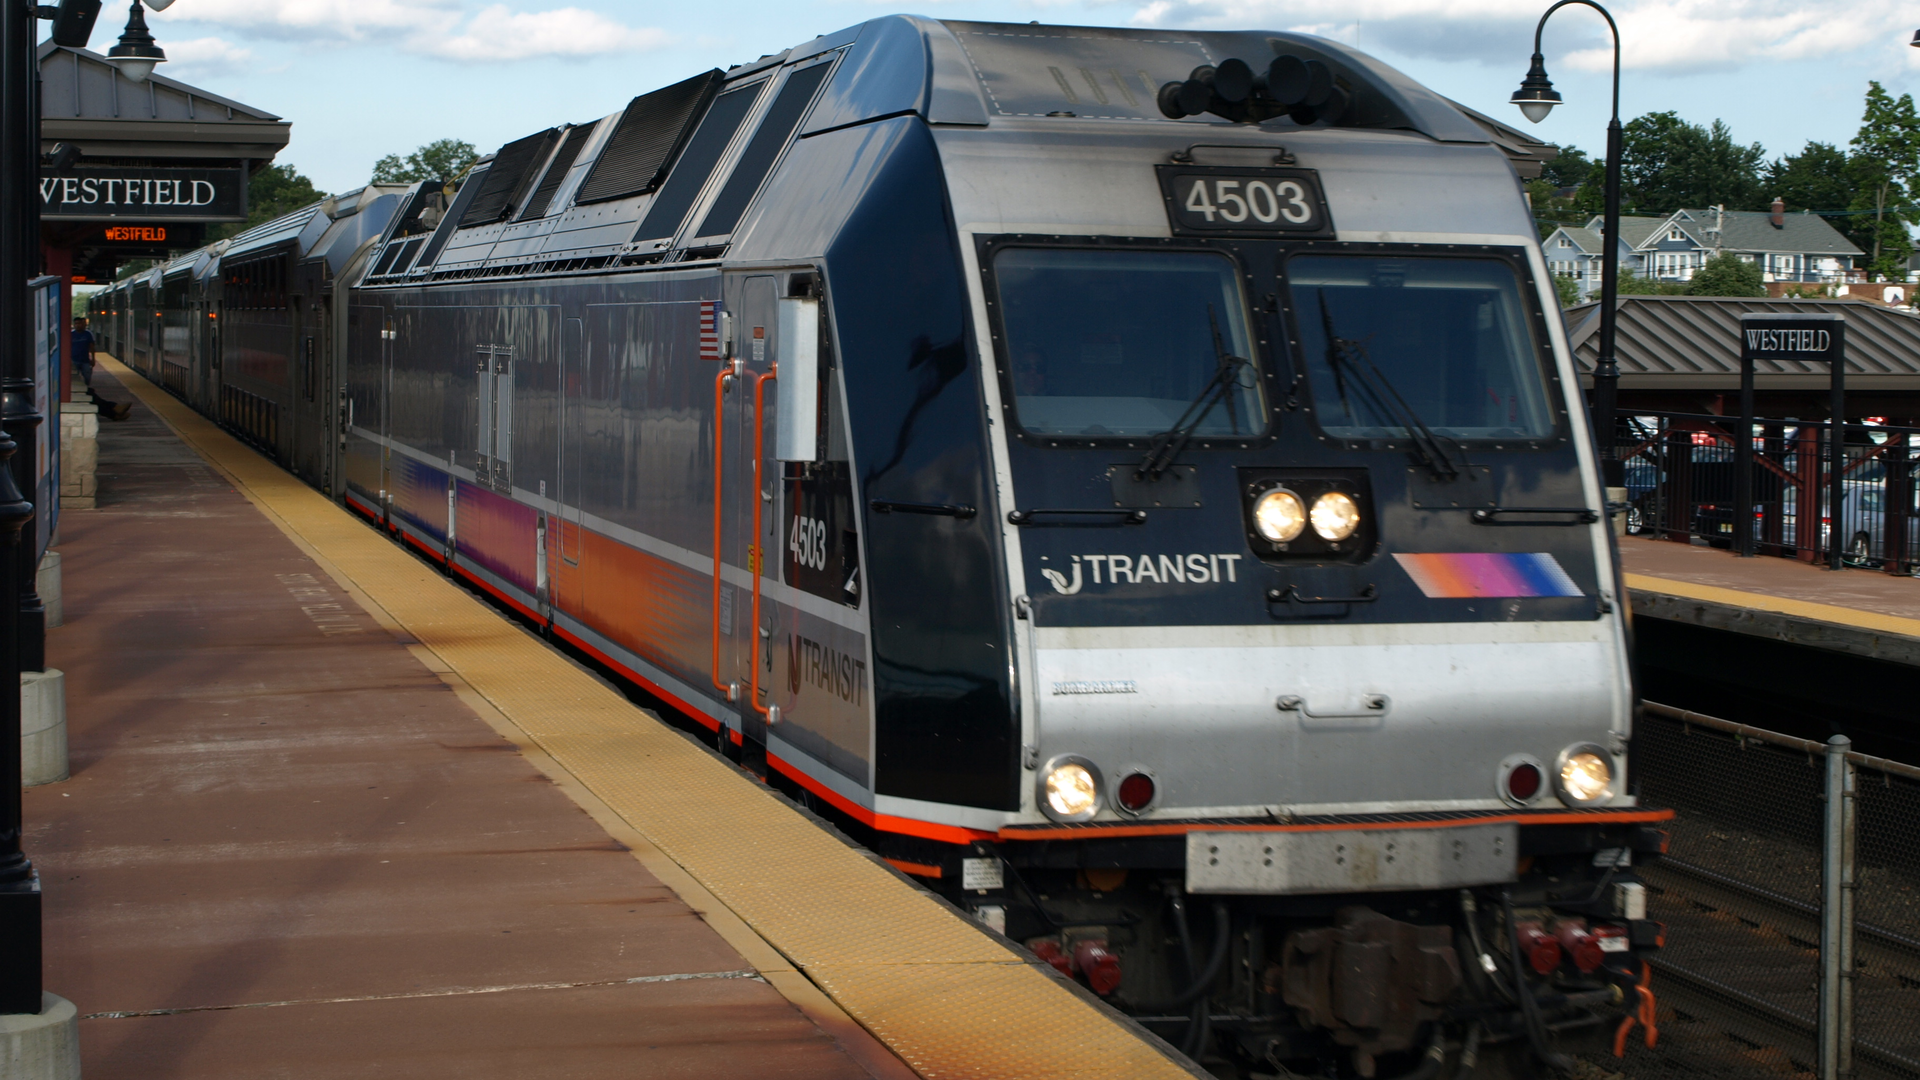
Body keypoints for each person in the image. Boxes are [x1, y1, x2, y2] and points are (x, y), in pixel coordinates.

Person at [70, 316, 131, 421]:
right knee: (89, 395)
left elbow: (91, 346)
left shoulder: (88, 334)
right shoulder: (72, 335)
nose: (78, 325)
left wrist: (93, 358)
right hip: (71, 383)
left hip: (84, 361)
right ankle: (114, 410)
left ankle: (115, 410)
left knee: (89, 393)